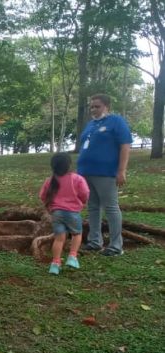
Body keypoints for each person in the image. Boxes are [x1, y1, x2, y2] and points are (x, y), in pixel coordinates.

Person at [77, 93, 132, 256]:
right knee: (93, 207)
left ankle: (116, 246)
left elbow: (125, 146)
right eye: (91, 106)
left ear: (106, 106)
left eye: (97, 106)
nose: (93, 109)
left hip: (106, 173)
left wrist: (121, 170)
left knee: (111, 207)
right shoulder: (90, 125)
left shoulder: (116, 121)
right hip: (86, 173)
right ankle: (95, 241)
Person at [39, 153, 90, 275]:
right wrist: (82, 202)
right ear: (69, 165)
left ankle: (55, 264)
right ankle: (72, 256)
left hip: (56, 213)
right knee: (77, 234)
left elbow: (42, 196)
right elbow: (85, 193)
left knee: (59, 239)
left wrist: (50, 206)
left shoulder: (50, 180)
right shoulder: (77, 178)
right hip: (72, 212)